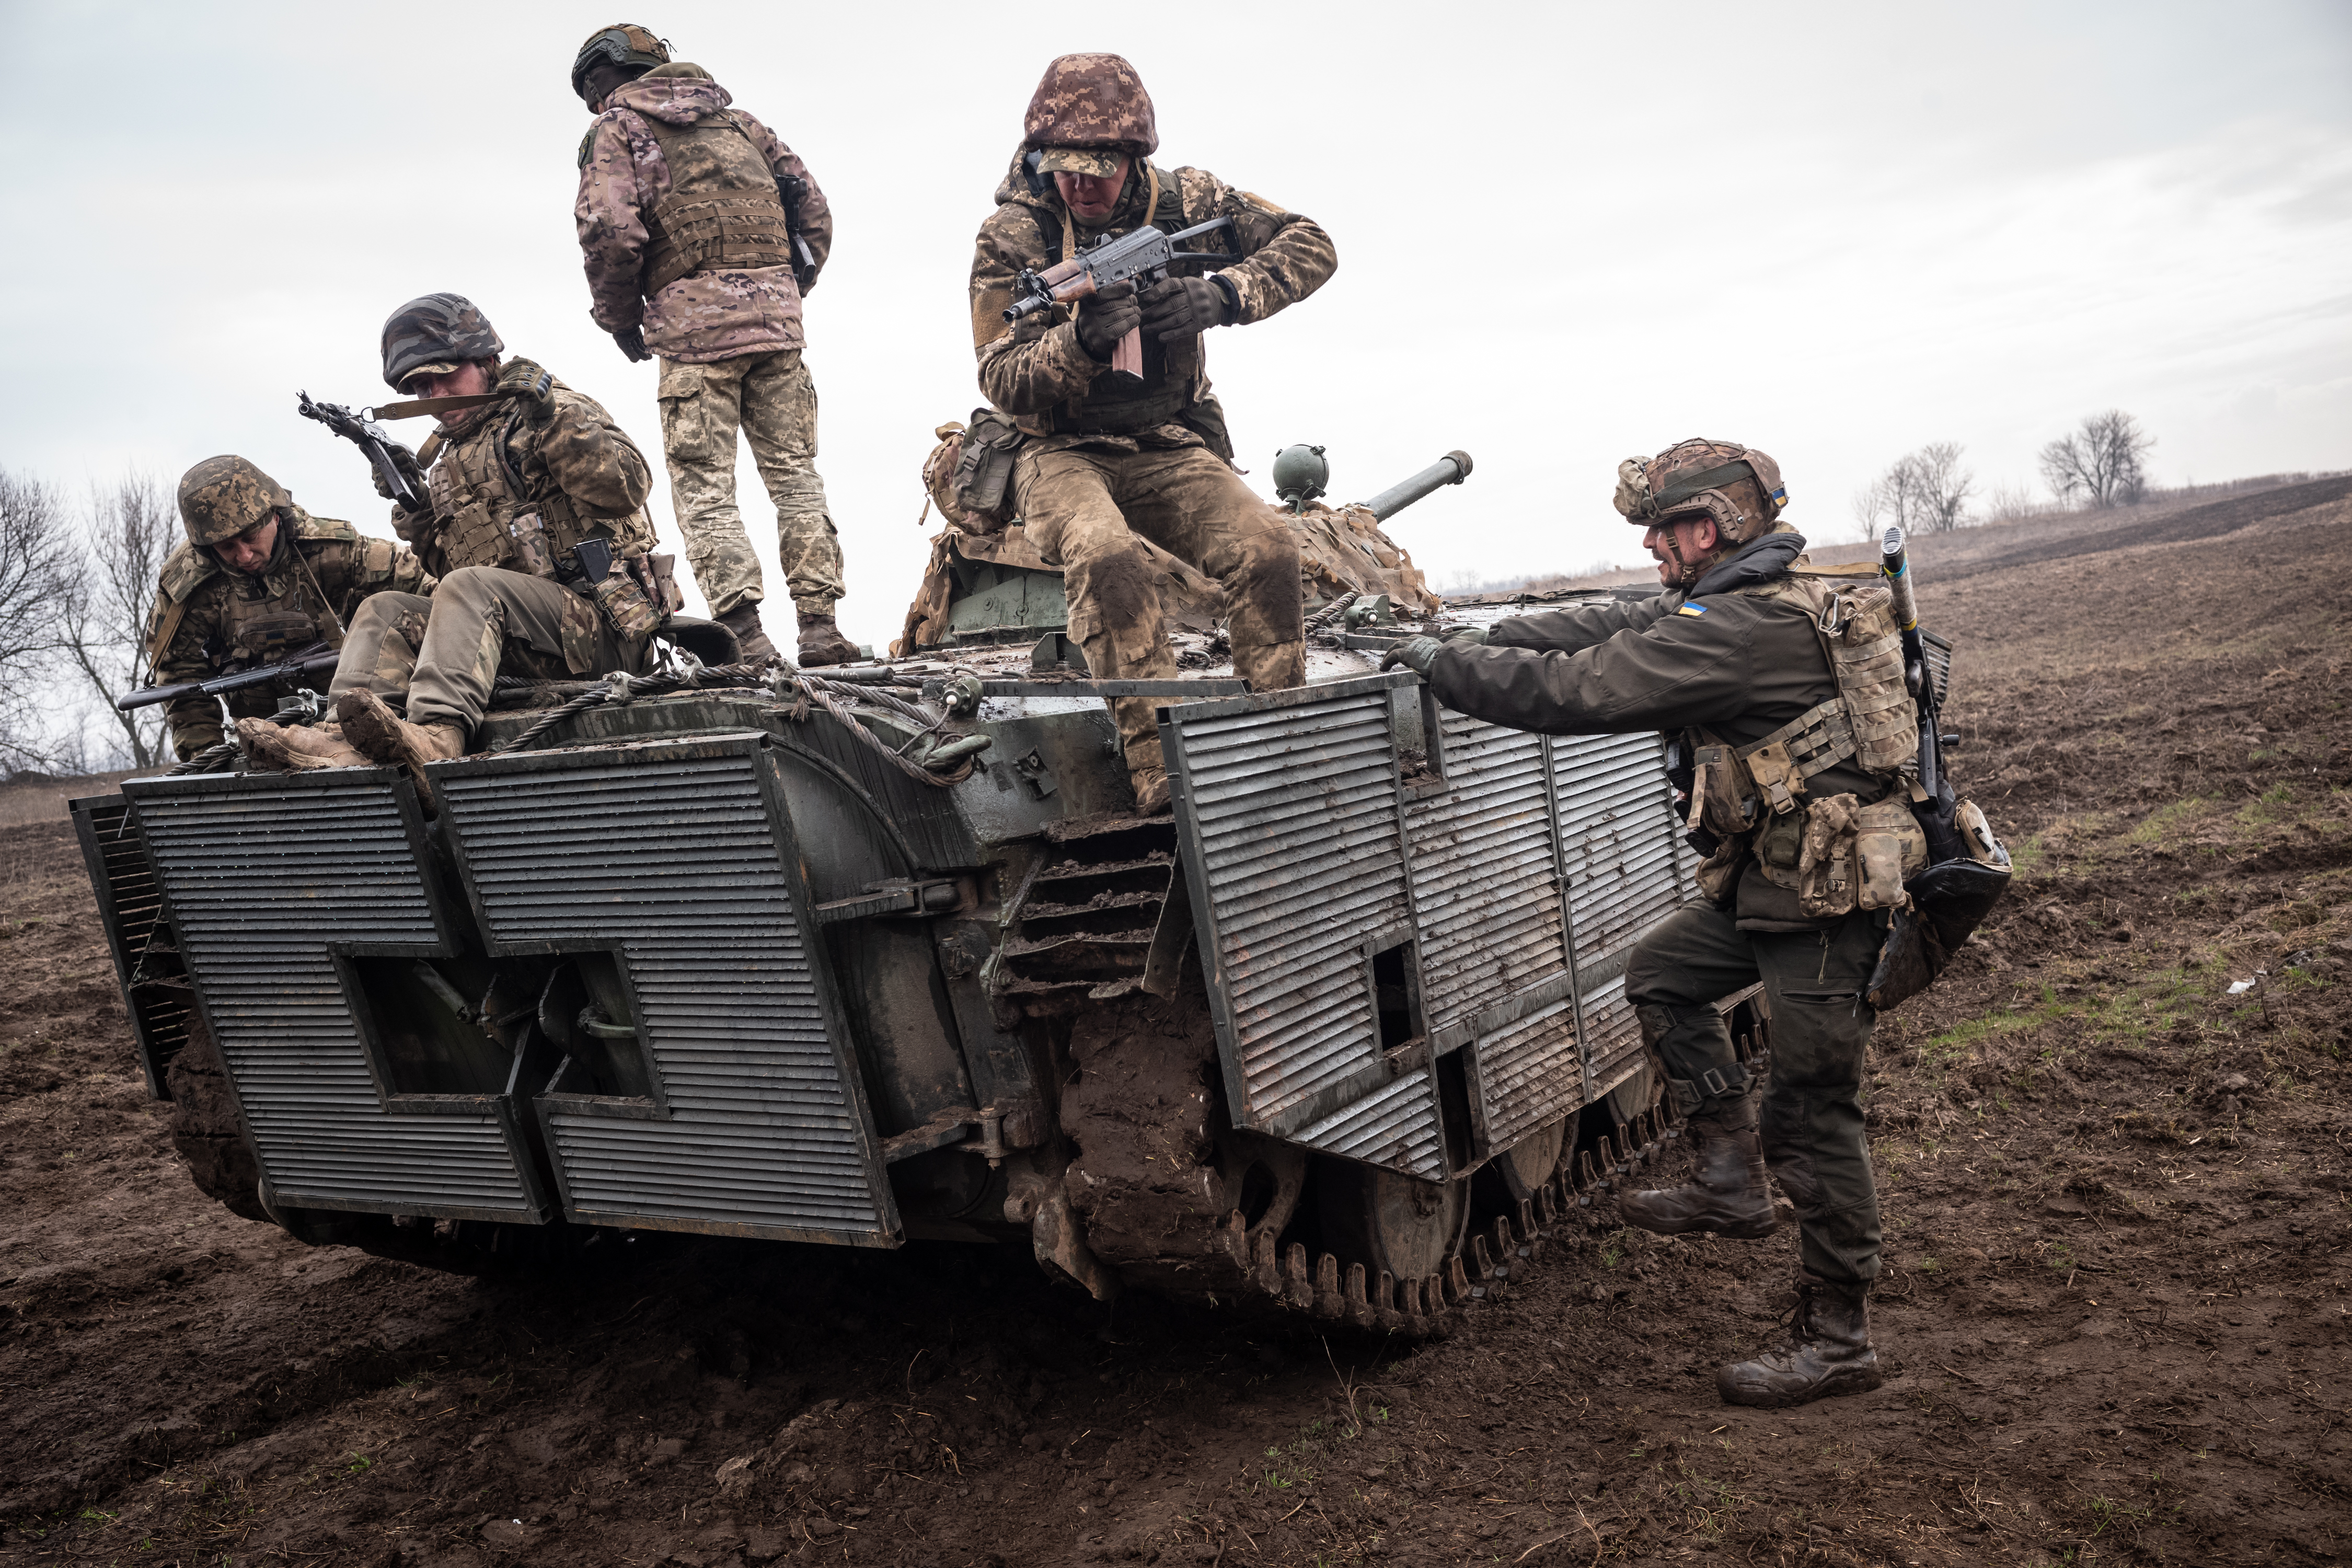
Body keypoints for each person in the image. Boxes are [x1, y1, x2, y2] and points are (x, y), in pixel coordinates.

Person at [1385, 439, 1921, 1409]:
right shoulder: (1760, 595)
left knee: (1812, 1120)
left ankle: (1841, 1338)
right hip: (1779, 883)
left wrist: (1441, 667)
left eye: (1661, 532)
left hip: (1823, 904)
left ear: (1707, 530)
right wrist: (1489, 632)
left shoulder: (1735, 633)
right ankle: (1730, 1179)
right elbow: (1613, 624)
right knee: (1664, 977)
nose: (1649, 548)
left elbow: (1577, 691)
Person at [967, 53, 1335, 811]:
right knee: (1106, 557)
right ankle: (1162, 771)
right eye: (1063, 169)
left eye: (1098, 170)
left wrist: (1224, 294)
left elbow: (1311, 244)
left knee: (1268, 547)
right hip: (1056, 449)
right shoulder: (1014, 236)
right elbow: (1000, 379)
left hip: (1165, 438)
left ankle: (1280, 749)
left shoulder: (1188, 198)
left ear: (1135, 158)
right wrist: (1081, 344)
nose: (1079, 186)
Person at [238, 293, 667, 804]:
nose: (436, 394)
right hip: (521, 642)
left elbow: (628, 488)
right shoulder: (446, 462)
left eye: (446, 375)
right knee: (384, 610)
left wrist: (550, 420)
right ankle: (339, 738)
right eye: (421, 386)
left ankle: (439, 734)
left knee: (467, 588)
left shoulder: (551, 411)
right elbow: (452, 572)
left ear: (488, 361)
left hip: (602, 632)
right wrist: (418, 509)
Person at [571, 22, 856, 667]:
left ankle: (748, 639)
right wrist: (784, 289)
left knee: (705, 486)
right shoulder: (741, 124)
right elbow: (813, 211)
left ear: (599, 81)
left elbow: (610, 230)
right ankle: (820, 628)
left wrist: (620, 319)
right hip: (777, 327)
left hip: (695, 338)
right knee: (795, 476)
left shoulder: (616, 131)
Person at [143, 455, 433, 767]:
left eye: (250, 537)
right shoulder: (188, 586)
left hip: (358, 716)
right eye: (226, 547)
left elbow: (427, 585)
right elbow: (178, 675)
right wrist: (207, 760)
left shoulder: (332, 549)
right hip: (260, 738)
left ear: (275, 517)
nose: (244, 555)